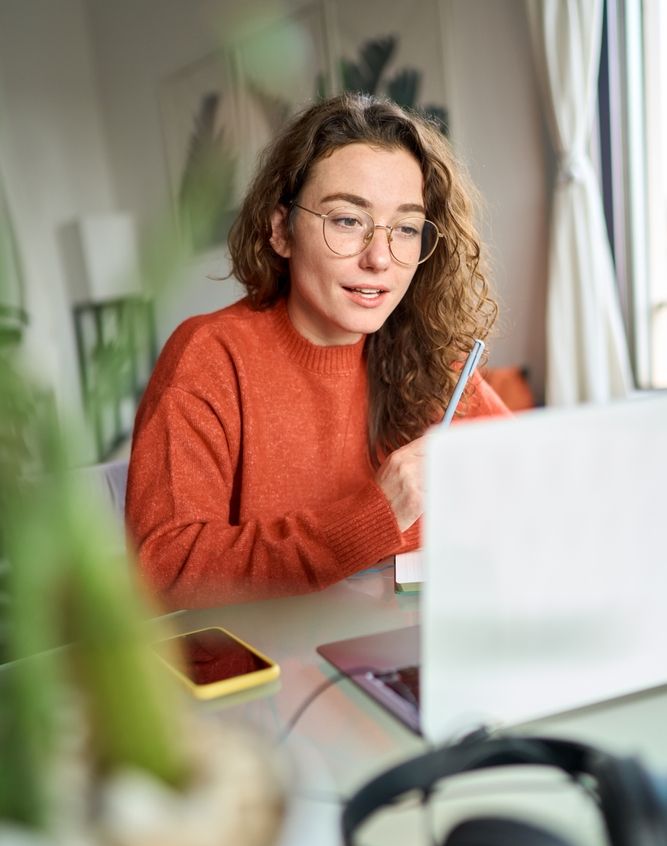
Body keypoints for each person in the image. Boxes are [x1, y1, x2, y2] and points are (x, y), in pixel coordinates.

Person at [126, 92, 509, 610]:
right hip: (274, 674)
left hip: (419, 656)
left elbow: (533, 484)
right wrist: (374, 515)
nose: (380, 258)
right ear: (282, 230)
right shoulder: (210, 357)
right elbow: (166, 569)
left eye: (406, 228)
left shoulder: (435, 354)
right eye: (347, 220)